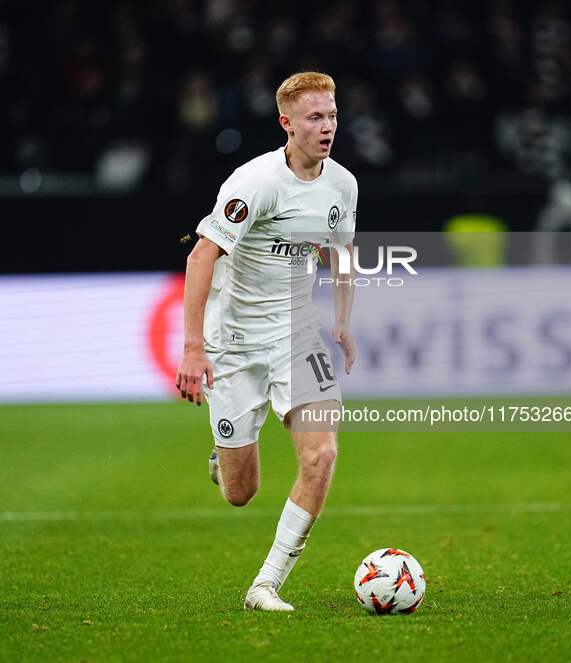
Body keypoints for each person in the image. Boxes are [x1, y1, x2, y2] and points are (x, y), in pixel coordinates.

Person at [175, 71, 357, 611]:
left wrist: (342, 322)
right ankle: (225, 449)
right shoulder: (253, 182)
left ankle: (266, 584)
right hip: (234, 341)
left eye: (332, 116)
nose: (327, 127)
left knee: (321, 454)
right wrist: (192, 346)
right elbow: (200, 256)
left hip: (299, 334)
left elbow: (342, 254)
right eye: (315, 118)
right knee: (240, 492)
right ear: (287, 124)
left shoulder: (342, 185)